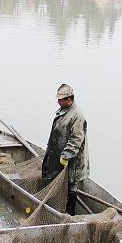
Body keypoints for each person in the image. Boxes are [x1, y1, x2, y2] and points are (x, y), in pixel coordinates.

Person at [41, 84, 89, 215]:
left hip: (72, 160)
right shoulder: (63, 110)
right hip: (57, 154)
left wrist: (66, 155)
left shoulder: (77, 116)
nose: (58, 101)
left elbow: (76, 139)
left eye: (60, 99)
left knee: (71, 185)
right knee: (55, 179)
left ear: (69, 99)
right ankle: (56, 206)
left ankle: (69, 213)